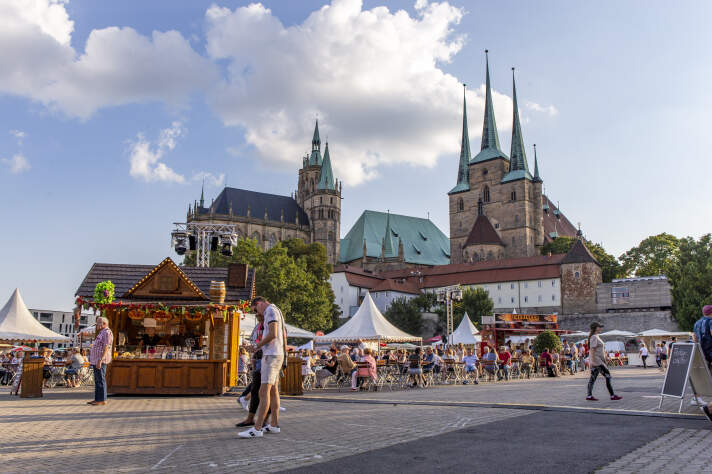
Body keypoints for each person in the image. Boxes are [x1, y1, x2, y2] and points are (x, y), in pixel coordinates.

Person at [239, 297, 287, 438]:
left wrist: (256, 346)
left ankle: (257, 428)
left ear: (259, 304)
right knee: (273, 391)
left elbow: (272, 334)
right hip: (276, 354)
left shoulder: (270, 311)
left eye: (255, 310)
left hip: (271, 355)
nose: (257, 314)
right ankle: (274, 425)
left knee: (263, 391)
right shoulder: (275, 309)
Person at [586, 322, 622, 401]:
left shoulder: (596, 337)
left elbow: (598, 350)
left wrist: (605, 357)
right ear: (595, 328)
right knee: (608, 376)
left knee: (593, 378)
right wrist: (592, 362)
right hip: (597, 361)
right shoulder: (594, 337)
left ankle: (589, 396)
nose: (601, 328)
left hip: (598, 360)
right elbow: (592, 349)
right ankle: (612, 395)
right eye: (599, 327)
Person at [692, 305, 712, 422]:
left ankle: (708, 407)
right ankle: (709, 408)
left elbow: (694, 338)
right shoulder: (710, 321)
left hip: (702, 356)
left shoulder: (697, 323)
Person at [88, 316, 113, 406]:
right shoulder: (101, 332)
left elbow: (107, 346)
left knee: (101, 379)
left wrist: (100, 359)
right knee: (97, 380)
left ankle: (102, 399)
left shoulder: (107, 332)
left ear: (104, 324)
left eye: (98, 323)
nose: (96, 325)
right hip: (96, 360)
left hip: (100, 360)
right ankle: (97, 399)